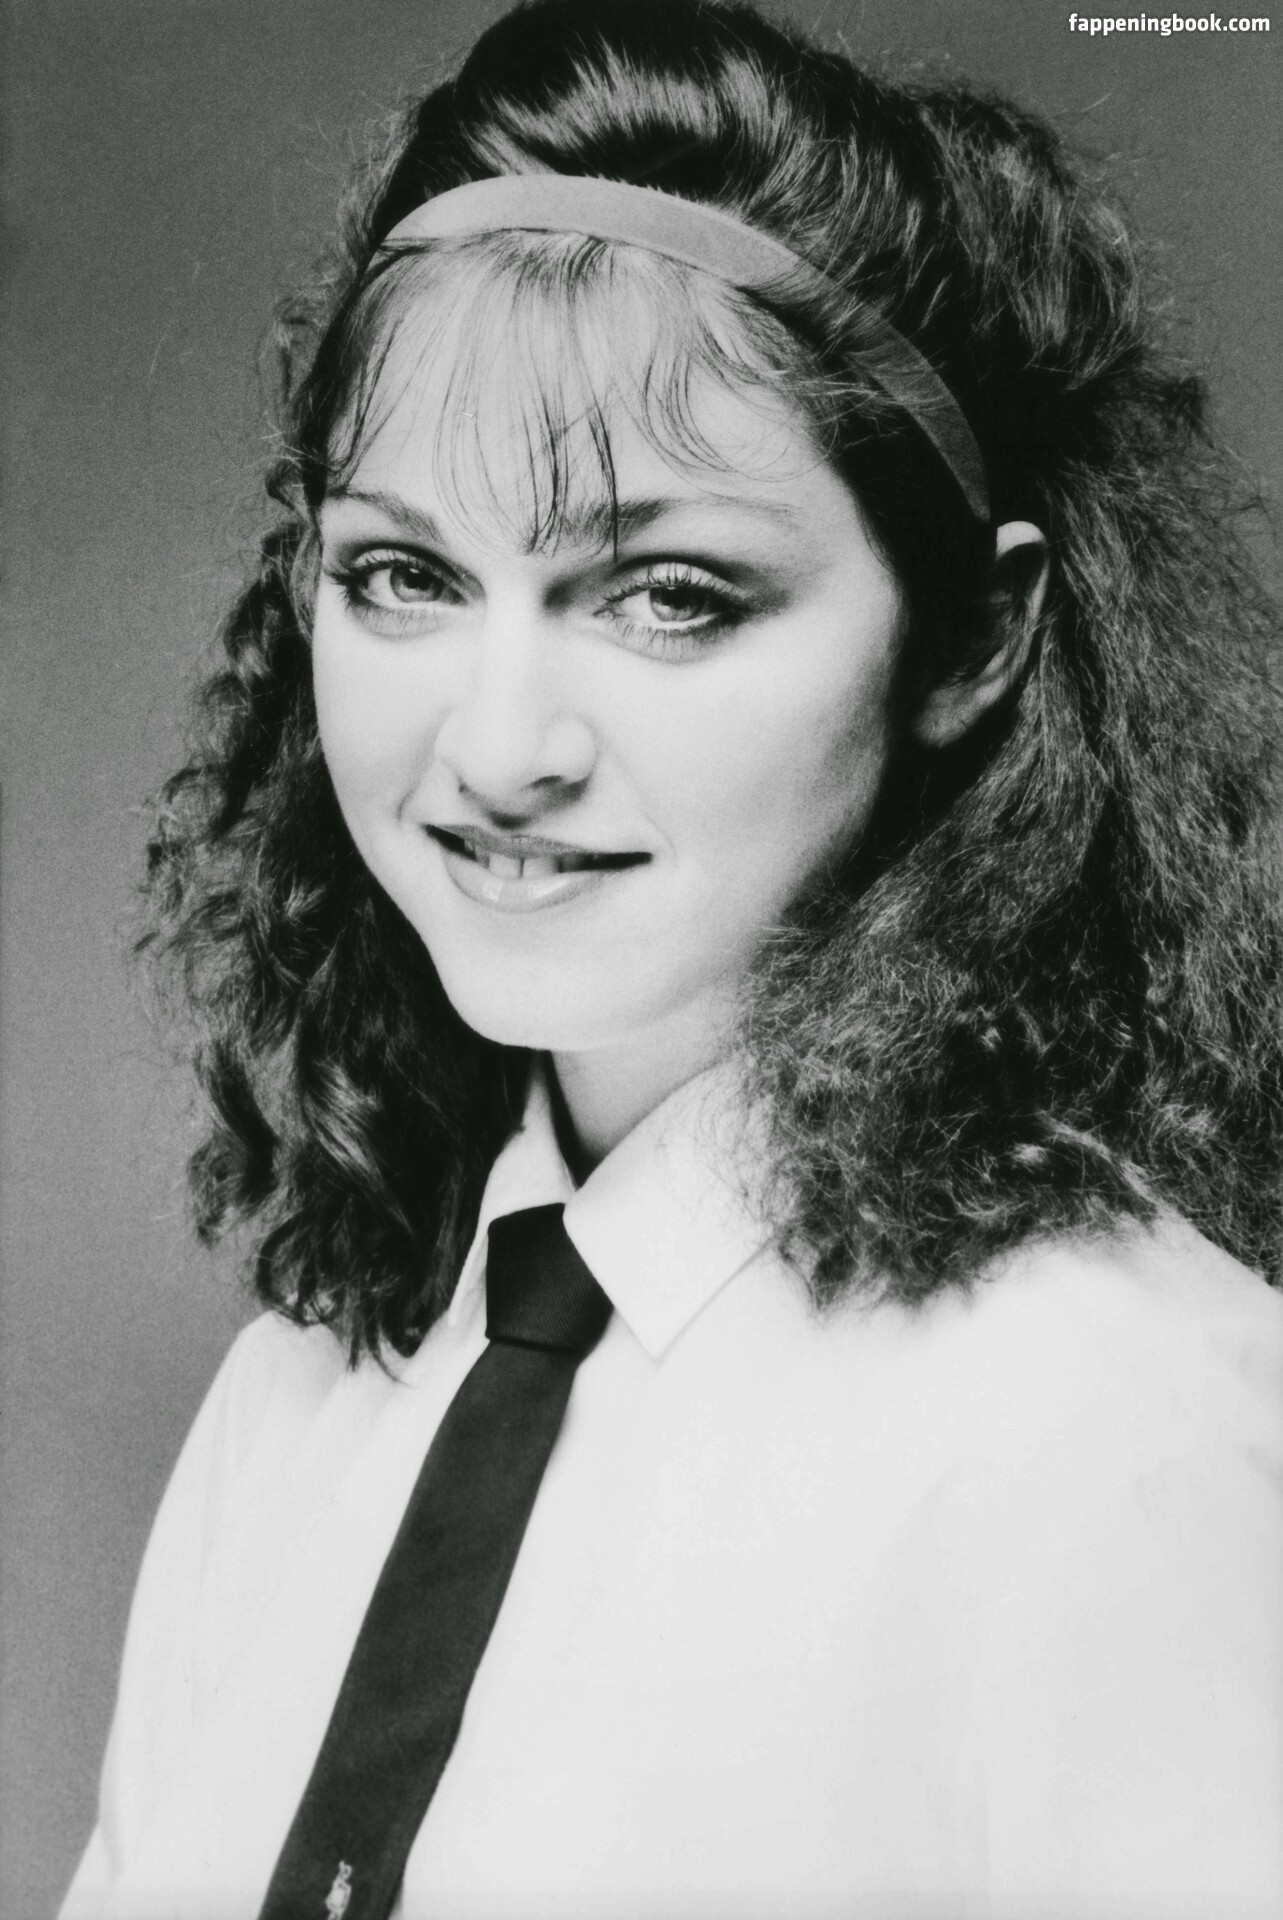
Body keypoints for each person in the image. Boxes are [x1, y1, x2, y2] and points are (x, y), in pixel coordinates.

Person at [63, 1, 1283, 1915]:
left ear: (974, 639)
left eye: (668, 596)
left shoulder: (1121, 1428)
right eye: (405, 576)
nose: (498, 748)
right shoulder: (302, 1399)